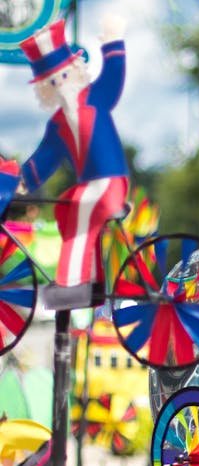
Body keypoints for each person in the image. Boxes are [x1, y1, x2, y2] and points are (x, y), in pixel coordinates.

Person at [18, 16, 129, 309]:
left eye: (64, 76)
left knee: (81, 204)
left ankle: (72, 284)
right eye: (53, 82)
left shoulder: (97, 96)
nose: (61, 85)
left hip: (111, 181)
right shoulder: (57, 125)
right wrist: (21, 181)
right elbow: (44, 159)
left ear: (75, 71)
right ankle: (92, 281)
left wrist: (113, 41)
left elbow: (114, 73)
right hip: (90, 185)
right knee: (65, 206)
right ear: (47, 89)